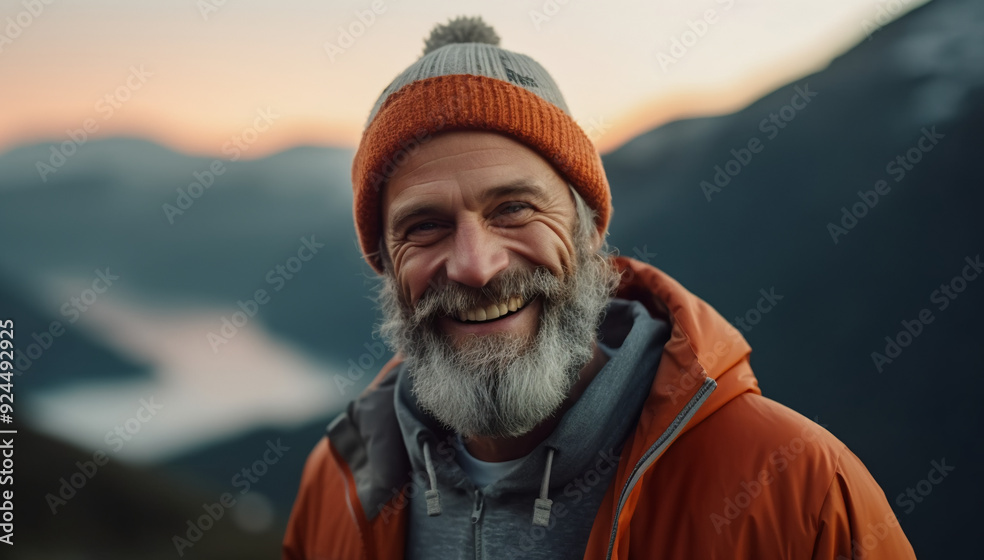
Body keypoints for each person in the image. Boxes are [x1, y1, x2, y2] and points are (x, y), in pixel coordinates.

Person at [283, 16, 916, 560]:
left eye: (514, 209)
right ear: (386, 265)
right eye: (425, 226)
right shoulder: (339, 481)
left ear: (589, 232)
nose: (476, 266)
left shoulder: (796, 490)